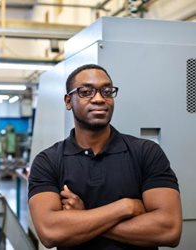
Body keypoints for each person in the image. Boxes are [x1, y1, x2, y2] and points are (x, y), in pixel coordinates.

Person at [28, 64, 182, 250]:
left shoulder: (146, 152)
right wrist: (125, 207)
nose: (99, 99)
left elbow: (169, 230)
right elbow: (50, 232)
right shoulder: (48, 161)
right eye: (86, 92)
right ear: (68, 101)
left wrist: (84, 217)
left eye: (107, 91)